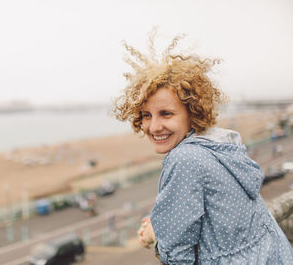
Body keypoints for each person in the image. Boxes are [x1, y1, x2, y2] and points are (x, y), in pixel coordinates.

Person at [112, 31, 293, 264]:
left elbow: (178, 256)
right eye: (146, 115)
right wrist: (163, 226)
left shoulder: (185, 159)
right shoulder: (222, 144)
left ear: (192, 111)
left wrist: (155, 240)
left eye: (166, 113)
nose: (154, 126)